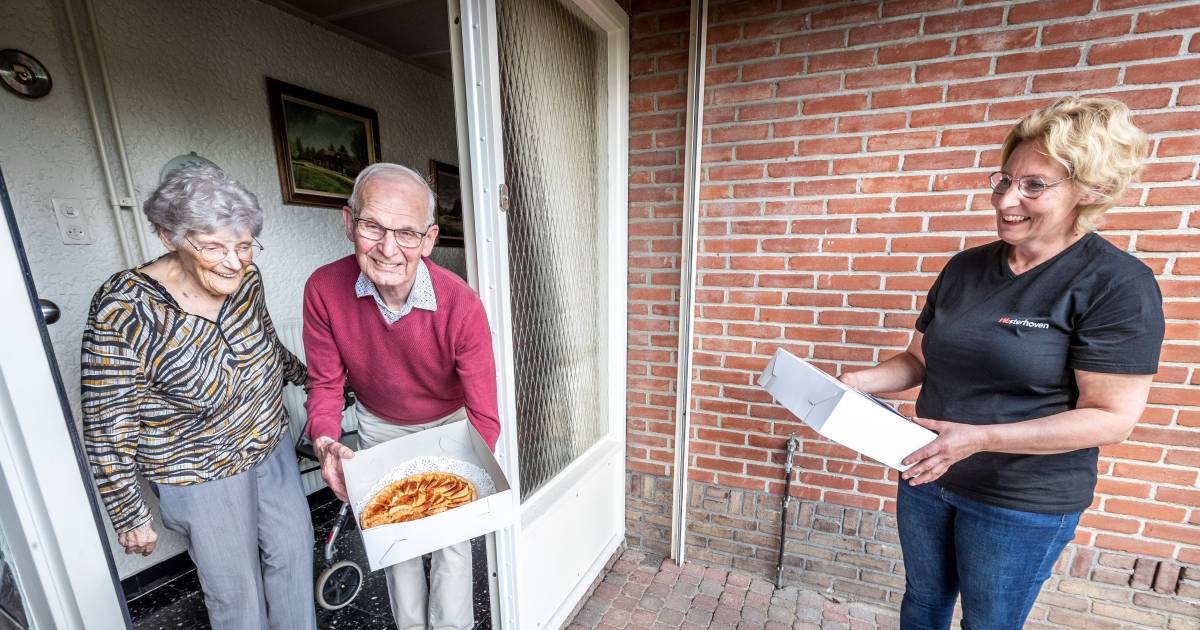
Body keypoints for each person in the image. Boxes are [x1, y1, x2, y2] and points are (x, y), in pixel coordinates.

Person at [838, 97, 1163, 629]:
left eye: (1034, 185)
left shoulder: (1116, 284)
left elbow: (1112, 417)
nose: (1006, 199)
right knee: (923, 602)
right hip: (926, 472)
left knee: (987, 623)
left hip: (1020, 499)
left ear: (1091, 190)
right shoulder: (965, 267)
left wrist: (980, 437)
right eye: (1004, 180)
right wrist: (855, 383)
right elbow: (918, 361)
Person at [81, 165, 315, 630]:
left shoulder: (247, 280)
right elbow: (107, 423)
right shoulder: (124, 307)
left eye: (244, 245)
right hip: (197, 470)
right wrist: (128, 513)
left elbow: (263, 344)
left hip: (270, 446)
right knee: (236, 591)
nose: (233, 261)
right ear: (169, 237)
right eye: (213, 247)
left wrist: (312, 379)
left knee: (294, 556)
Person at [303, 162, 499, 630]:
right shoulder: (323, 290)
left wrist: (467, 467)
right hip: (380, 423)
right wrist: (325, 441)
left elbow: (485, 413)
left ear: (429, 239)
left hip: (450, 426)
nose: (388, 248)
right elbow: (326, 384)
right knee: (395, 538)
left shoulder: (461, 304)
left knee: (451, 543)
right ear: (349, 223)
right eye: (373, 226)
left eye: (407, 233)